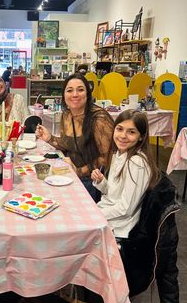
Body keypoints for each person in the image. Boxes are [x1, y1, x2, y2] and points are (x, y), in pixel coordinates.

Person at [35, 73, 114, 201]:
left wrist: (79, 171)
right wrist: (50, 138)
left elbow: (107, 158)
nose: (75, 94)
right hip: (69, 173)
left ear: (87, 94)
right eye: (69, 90)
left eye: (80, 90)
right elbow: (68, 145)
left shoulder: (99, 119)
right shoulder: (67, 115)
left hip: (92, 181)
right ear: (64, 95)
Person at [91, 109, 159, 239]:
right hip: (108, 212)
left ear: (141, 136)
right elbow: (112, 193)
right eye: (120, 129)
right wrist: (101, 182)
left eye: (131, 132)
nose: (123, 136)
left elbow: (125, 209)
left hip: (119, 226)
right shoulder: (118, 154)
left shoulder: (136, 162)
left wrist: (94, 213)